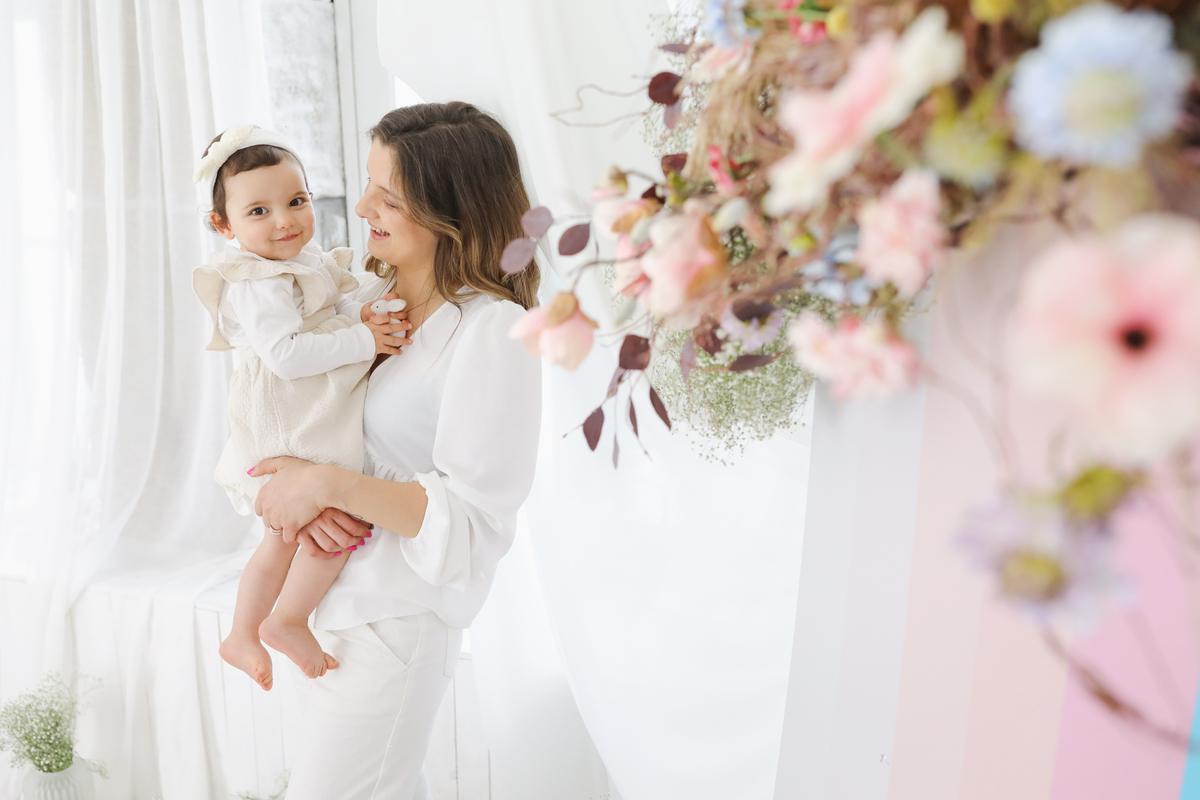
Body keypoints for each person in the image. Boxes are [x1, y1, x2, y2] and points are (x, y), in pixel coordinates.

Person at [249, 102, 542, 800]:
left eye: (392, 197)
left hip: (394, 624)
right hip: (328, 607)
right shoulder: (365, 299)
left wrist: (326, 484)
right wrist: (301, 479)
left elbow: (473, 520)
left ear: (454, 213)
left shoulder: (492, 332)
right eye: (369, 182)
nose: (362, 207)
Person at [191, 124, 412, 689]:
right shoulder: (255, 280)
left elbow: (335, 301)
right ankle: (279, 622)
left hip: (307, 406)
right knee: (331, 524)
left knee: (298, 532)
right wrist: (365, 339)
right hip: (288, 413)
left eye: (296, 201)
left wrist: (368, 310)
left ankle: (254, 629)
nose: (284, 220)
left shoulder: (299, 257)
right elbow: (287, 355)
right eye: (258, 211)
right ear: (225, 226)